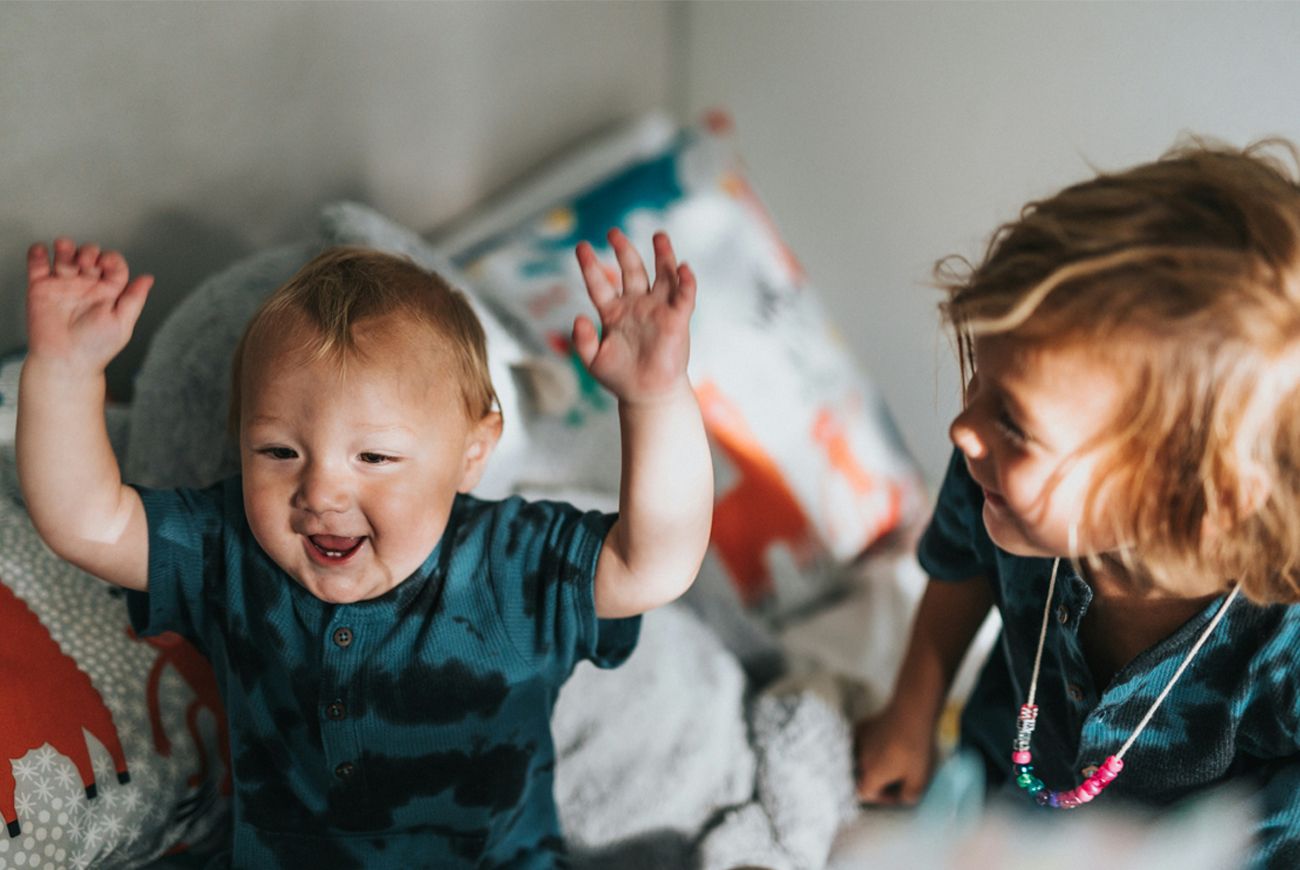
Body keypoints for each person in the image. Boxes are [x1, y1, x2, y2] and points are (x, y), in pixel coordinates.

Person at [16, 229, 713, 868]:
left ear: (472, 454)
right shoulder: (228, 551)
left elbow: (653, 564)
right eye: (278, 451)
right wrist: (65, 372)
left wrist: (655, 401)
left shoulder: (514, 564)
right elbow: (88, 522)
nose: (321, 491)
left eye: (375, 457)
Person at [853, 139, 1300, 867]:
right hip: (1001, 796)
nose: (963, 430)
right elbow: (960, 564)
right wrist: (911, 710)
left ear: (1189, 494)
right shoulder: (996, 485)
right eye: (979, 383)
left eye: (1015, 422)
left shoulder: (1280, 643)